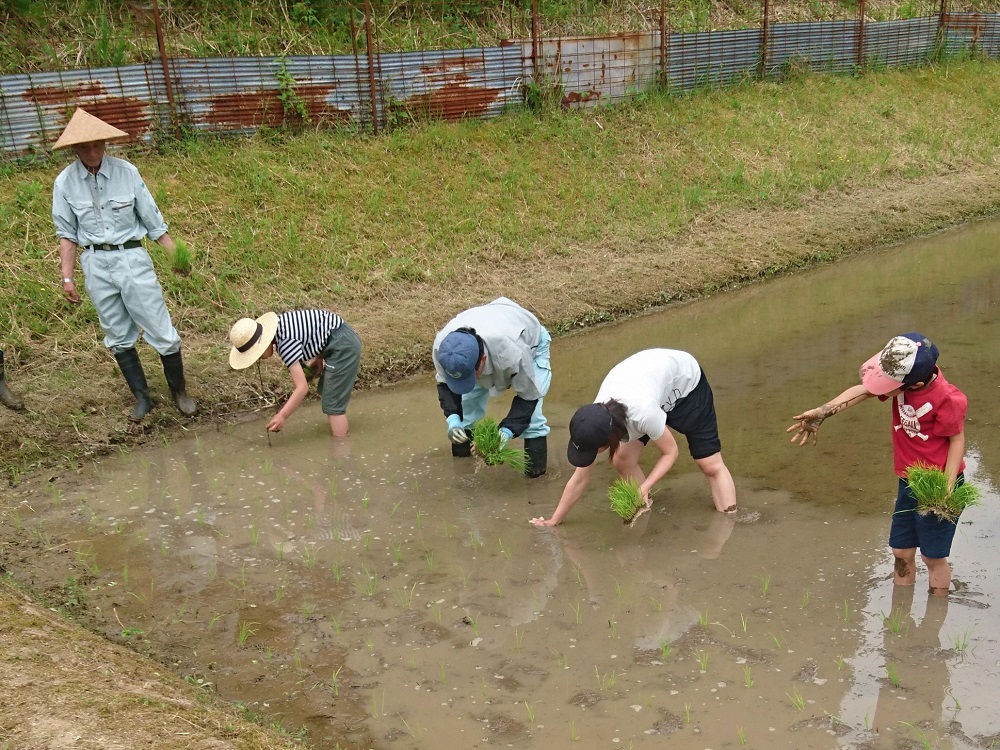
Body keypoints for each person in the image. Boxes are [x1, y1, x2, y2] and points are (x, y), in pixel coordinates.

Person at [787, 332, 967, 596]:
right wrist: (825, 410)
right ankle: (900, 611)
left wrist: (947, 489)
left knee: (932, 557)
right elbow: (864, 390)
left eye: (887, 381)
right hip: (909, 480)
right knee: (901, 551)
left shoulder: (948, 398)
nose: (880, 385)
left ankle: (934, 621)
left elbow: (956, 441)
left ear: (912, 385)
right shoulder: (903, 381)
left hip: (938, 484)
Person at [51, 108, 196, 422]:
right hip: (95, 264)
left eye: (97, 145)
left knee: (160, 328)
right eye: (85, 147)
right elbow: (66, 236)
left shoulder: (127, 172)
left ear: (105, 143)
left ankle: (179, 392)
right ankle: (143, 397)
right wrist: (67, 279)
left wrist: (178, 257)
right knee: (117, 333)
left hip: (131, 258)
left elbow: (154, 223)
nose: (92, 152)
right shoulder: (64, 183)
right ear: (74, 149)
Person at [530, 348, 737, 527]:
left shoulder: (643, 413)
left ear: (610, 438)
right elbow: (580, 478)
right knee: (623, 459)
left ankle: (730, 521)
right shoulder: (595, 419)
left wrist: (644, 486)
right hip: (649, 387)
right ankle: (644, 507)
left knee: (709, 464)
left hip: (686, 386)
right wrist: (553, 520)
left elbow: (671, 452)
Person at [432, 297, 551, 478]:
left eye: (470, 377)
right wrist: (454, 420)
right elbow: (445, 385)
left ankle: (536, 479)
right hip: (487, 328)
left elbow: (529, 397)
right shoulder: (444, 349)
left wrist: (506, 432)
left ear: (482, 362)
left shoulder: (513, 353)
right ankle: (464, 473)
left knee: (533, 420)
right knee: (466, 408)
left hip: (529, 341)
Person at [228, 309, 362, 436]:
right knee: (328, 393)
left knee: (333, 404)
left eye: (257, 355)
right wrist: (319, 358)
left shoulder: (285, 344)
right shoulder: (281, 325)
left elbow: (302, 388)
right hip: (339, 337)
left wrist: (282, 416)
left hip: (344, 347)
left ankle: (341, 448)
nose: (259, 358)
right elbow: (319, 328)